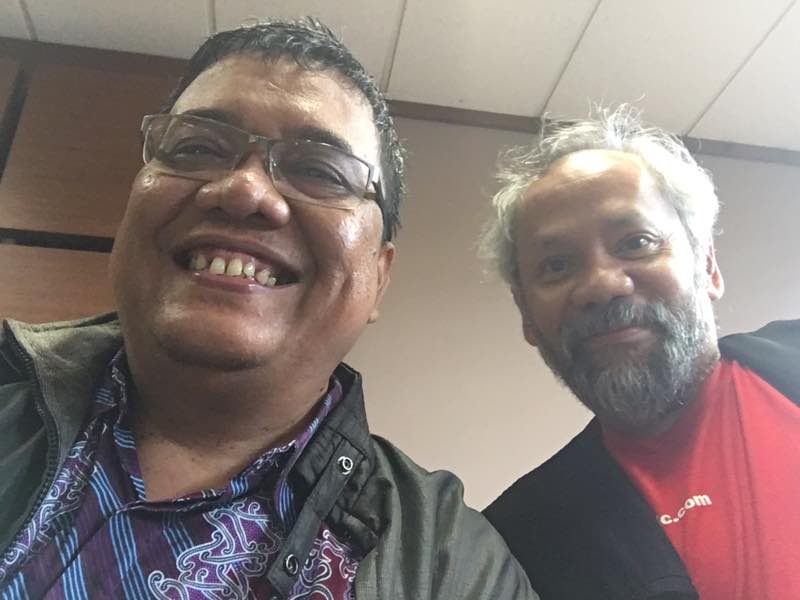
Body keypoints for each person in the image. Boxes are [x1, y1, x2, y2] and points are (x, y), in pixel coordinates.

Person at [0, 19, 535, 599]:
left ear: (380, 277)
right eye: (197, 148)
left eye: (319, 170)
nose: (243, 191)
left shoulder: (454, 564)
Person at [480, 106, 800, 600]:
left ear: (707, 266)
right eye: (557, 265)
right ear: (526, 313)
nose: (602, 285)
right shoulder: (512, 546)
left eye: (636, 242)